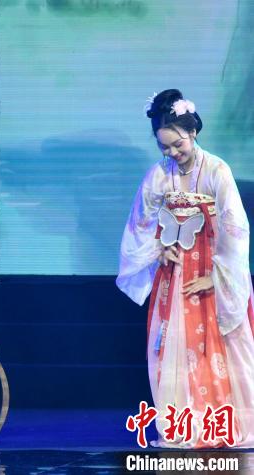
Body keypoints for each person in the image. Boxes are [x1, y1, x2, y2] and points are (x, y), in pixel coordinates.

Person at [117, 89, 254, 448]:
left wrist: (216, 277)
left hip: (211, 266)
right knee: (175, 348)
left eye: (177, 144)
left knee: (217, 346)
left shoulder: (216, 170)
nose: (172, 153)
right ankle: (184, 426)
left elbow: (235, 229)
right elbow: (141, 221)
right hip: (175, 275)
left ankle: (221, 424)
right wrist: (159, 248)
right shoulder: (159, 175)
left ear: (192, 132)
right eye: (164, 147)